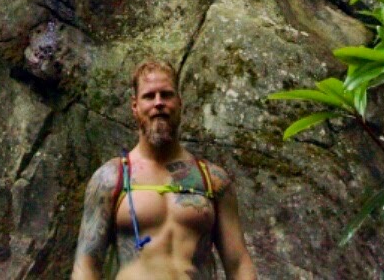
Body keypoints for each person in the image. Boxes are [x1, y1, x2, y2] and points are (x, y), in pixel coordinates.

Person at [72, 60, 256, 279]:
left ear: (179, 103)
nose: (158, 103)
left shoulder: (213, 180)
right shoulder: (111, 178)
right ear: (135, 106)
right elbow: (86, 265)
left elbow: (238, 263)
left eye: (166, 95)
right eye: (149, 96)